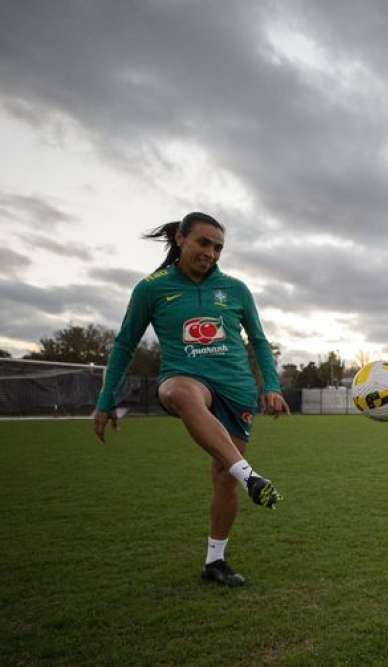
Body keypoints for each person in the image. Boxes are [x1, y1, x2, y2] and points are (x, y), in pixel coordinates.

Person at [94, 211, 289, 588]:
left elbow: (260, 341)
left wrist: (272, 387)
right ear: (181, 239)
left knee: (223, 476)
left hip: (236, 389)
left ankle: (214, 561)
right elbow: (124, 343)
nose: (211, 253)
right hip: (184, 378)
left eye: (218, 247)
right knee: (180, 393)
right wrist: (105, 400)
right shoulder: (151, 288)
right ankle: (252, 477)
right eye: (203, 243)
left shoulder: (236, 290)